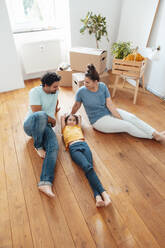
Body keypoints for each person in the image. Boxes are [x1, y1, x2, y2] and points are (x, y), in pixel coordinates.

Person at [71, 64, 165, 144]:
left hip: (109, 111)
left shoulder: (102, 87)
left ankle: (156, 134)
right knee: (127, 125)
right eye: (84, 81)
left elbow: (110, 104)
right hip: (98, 121)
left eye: (87, 82)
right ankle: (155, 137)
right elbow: (76, 105)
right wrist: (71, 115)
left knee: (132, 118)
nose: (84, 84)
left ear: (96, 82)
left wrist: (119, 117)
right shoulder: (81, 92)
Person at [61, 113, 111, 207]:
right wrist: (65, 116)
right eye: (69, 120)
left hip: (84, 145)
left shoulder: (78, 127)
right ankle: (104, 193)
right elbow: (62, 118)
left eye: (73, 120)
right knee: (87, 167)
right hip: (73, 148)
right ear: (66, 121)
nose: (72, 121)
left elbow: (79, 117)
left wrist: (77, 116)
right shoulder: (64, 129)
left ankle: (97, 197)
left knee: (89, 169)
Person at [23, 72, 61, 197]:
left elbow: (55, 103)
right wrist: (53, 120)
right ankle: (38, 145)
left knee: (54, 146)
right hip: (32, 125)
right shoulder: (35, 92)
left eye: (58, 86)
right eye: (55, 87)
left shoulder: (55, 91)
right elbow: (37, 112)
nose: (57, 89)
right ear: (45, 85)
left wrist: (56, 112)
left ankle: (45, 182)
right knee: (41, 115)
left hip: (46, 125)